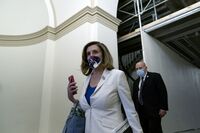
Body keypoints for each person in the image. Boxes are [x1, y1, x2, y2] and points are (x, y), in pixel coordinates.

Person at [67, 41, 143, 133]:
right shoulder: (86, 80)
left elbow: (130, 110)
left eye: (95, 52)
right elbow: (88, 108)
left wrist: (138, 131)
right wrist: (72, 98)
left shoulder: (117, 75)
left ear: (103, 55)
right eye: (88, 54)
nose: (91, 55)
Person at [132, 60, 168, 133]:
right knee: (144, 130)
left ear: (145, 67)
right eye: (137, 69)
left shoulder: (155, 76)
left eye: (140, 68)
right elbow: (134, 97)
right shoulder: (136, 82)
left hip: (153, 111)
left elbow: (162, 92)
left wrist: (163, 108)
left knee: (155, 130)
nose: (138, 70)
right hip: (141, 112)